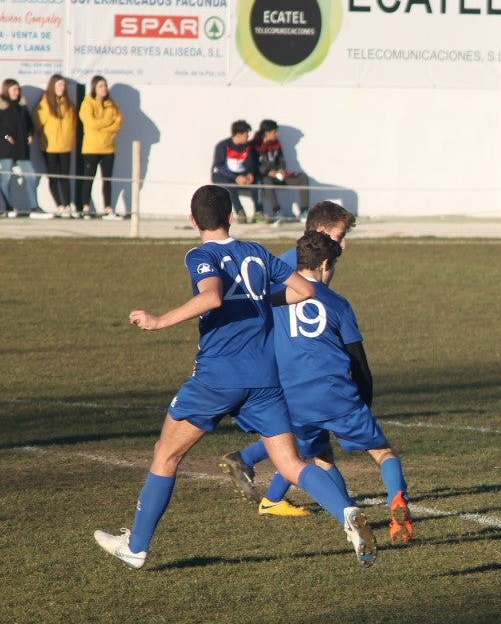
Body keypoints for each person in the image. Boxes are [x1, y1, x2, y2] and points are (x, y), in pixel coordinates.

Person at [92, 185, 379, 569]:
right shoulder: (257, 252)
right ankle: (346, 511)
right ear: (231, 216)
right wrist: (258, 300)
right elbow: (305, 290)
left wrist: (159, 320)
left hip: (217, 378)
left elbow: (211, 296)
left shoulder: (201, 254)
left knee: (166, 453)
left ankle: (136, 546)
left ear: (193, 220)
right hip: (265, 380)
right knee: (291, 464)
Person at [243, 230, 414, 543]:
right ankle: (397, 499)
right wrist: (363, 399)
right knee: (382, 452)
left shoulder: (275, 301)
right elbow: (358, 360)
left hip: (295, 400)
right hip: (337, 396)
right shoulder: (338, 304)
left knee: (320, 456)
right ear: (324, 264)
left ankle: (348, 510)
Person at [219, 201, 364, 518]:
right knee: (301, 436)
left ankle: (275, 498)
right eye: (340, 236)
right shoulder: (292, 264)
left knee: (315, 443)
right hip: (287, 362)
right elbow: (263, 305)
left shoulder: (306, 260)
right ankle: (246, 459)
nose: (344, 244)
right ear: (322, 231)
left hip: (295, 361)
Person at [79, 75, 123, 219]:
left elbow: (118, 123)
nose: (104, 89)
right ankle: (85, 207)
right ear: (94, 88)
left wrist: (103, 127)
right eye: (100, 86)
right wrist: (108, 121)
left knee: (107, 179)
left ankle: (107, 208)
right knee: (89, 178)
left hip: (108, 148)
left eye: (105, 86)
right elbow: (91, 123)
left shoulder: (111, 104)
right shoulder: (87, 103)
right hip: (91, 148)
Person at [253, 118, 311, 224]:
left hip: (279, 176)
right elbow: (253, 164)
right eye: (275, 132)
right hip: (265, 177)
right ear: (267, 133)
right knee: (266, 181)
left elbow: (281, 160)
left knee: (302, 178)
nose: (277, 134)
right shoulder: (254, 145)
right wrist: (268, 172)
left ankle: (304, 211)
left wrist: (281, 170)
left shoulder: (277, 144)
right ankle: (277, 212)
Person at [34, 74, 76, 218]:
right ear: (53, 86)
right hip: (50, 147)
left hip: (65, 146)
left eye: (64, 85)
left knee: (65, 177)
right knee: (53, 177)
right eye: (59, 85)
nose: (62, 88)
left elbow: (73, 123)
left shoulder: (68, 104)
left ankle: (67, 205)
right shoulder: (45, 103)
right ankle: (59, 205)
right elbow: (37, 122)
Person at [0, 78, 42, 218]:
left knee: (32, 177)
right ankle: (7, 207)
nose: (16, 92)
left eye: (18, 89)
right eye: (13, 89)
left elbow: (29, 123)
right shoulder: (2, 106)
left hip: (22, 149)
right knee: (5, 178)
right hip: (6, 149)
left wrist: (30, 134)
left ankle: (34, 206)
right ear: (7, 90)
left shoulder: (21, 106)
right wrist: (6, 136)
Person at [211, 120, 259, 222]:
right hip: (224, 176)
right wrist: (235, 178)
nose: (248, 137)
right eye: (246, 134)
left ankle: (259, 212)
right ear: (238, 134)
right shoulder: (223, 146)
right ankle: (240, 212)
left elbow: (250, 164)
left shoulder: (248, 147)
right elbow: (218, 167)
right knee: (230, 186)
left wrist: (250, 174)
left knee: (258, 183)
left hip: (241, 175)